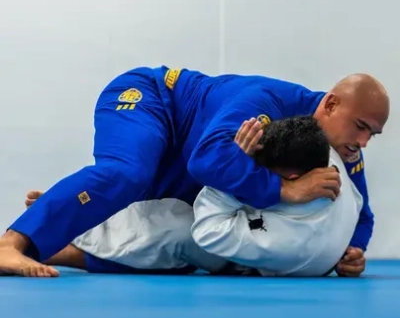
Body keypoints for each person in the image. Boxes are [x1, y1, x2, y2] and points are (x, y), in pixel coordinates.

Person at [0, 67, 389, 277]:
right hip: (154, 102)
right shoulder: (267, 102)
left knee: (195, 251)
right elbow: (205, 159)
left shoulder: (342, 149)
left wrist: (352, 252)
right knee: (126, 174)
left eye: (372, 134)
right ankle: (10, 243)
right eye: (360, 127)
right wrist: (283, 190)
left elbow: (362, 213)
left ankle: (63, 232)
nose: (363, 142)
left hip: (183, 163)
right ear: (331, 105)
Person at [22, 115, 331, 277]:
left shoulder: (295, 232)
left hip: (228, 249)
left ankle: (62, 231)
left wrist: (233, 165)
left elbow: (209, 228)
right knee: (167, 216)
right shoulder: (327, 170)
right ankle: (69, 217)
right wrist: (351, 250)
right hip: (239, 239)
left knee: (176, 231)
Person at [191, 116, 364, 277]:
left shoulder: (283, 239)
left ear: (293, 178)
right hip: (318, 252)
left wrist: (234, 166)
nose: (255, 173)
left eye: (263, 173)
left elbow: (206, 232)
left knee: (179, 233)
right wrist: (353, 249)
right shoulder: (329, 156)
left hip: (249, 258)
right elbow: (359, 201)